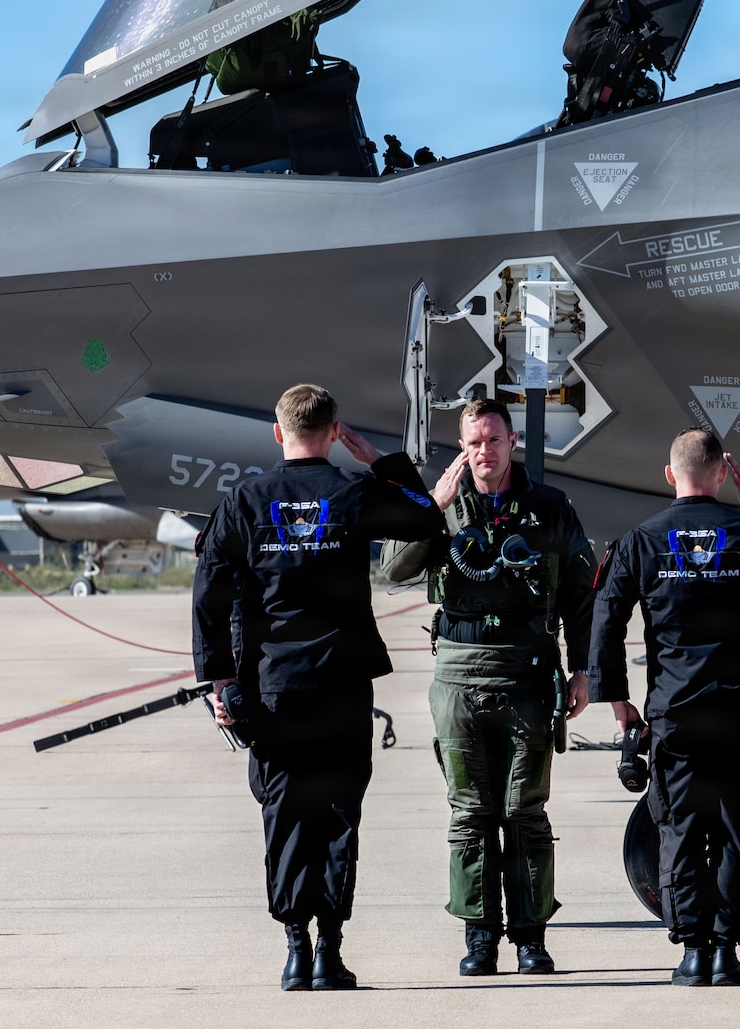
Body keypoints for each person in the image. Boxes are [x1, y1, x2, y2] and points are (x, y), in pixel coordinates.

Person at [192, 384, 444, 992]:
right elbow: (425, 515)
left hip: (272, 687)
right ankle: (329, 950)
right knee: (337, 812)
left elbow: (210, 596)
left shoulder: (244, 501)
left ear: (277, 433)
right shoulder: (354, 491)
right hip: (341, 683)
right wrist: (378, 460)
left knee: (284, 813)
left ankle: (294, 950)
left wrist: (219, 682)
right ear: (333, 433)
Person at [587, 427, 740, 987]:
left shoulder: (640, 541)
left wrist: (618, 702)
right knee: (739, 828)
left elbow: (606, 622)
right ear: (721, 474)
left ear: (669, 474)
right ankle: (727, 953)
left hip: (675, 711)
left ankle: (693, 952)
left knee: (681, 827)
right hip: (738, 709)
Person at [387, 397, 596, 977]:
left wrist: (583, 670)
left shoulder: (550, 507)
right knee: (470, 811)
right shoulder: (441, 505)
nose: (485, 451)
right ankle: (479, 937)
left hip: (529, 672)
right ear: (462, 447)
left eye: (494, 440)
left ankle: (531, 938)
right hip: (459, 674)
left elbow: (581, 595)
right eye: (474, 442)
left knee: (526, 810)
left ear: (512, 443)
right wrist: (432, 509)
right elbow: (393, 569)